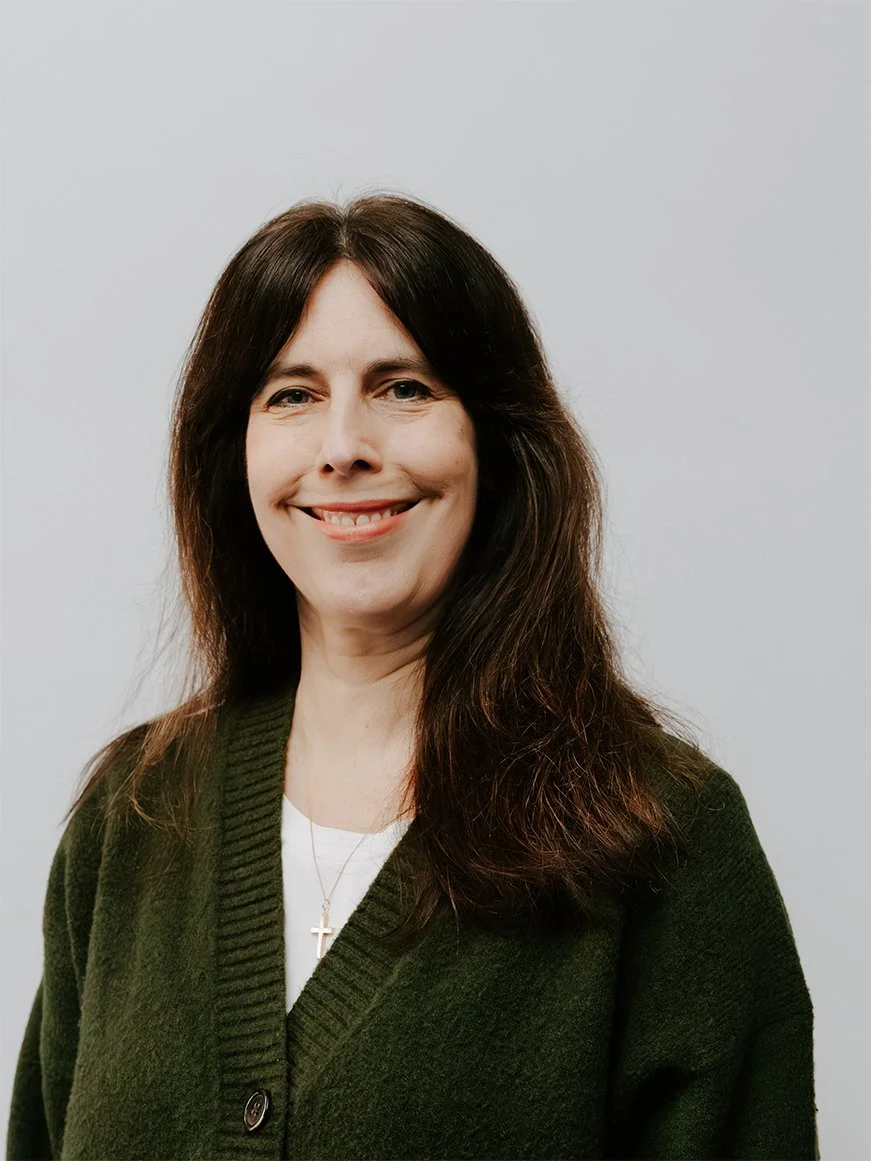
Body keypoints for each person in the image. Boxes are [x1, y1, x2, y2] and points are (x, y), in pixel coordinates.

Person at [6, 191, 818, 1161]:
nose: (345, 446)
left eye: (405, 388)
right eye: (291, 395)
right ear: (235, 456)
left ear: (496, 443)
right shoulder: (134, 818)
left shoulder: (663, 837)